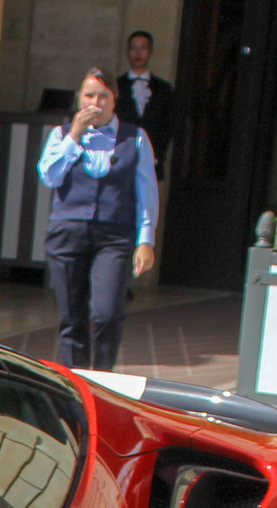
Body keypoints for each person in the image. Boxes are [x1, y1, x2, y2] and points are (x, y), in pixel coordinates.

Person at [36, 68, 157, 372]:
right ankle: (76, 382)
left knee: (107, 313)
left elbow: (146, 191)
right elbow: (49, 176)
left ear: (115, 101)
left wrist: (146, 240)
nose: (96, 102)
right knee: (72, 317)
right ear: (79, 98)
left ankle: (103, 378)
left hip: (114, 235)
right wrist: (75, 135)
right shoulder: (61, 134)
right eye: (89, 95)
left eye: (104, 96)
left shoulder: (136, 138)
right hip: (67, 231)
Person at [115, 30, 177, 177]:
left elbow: (169, 125)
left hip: (152, 159)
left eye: (143, 48)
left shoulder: (164, 89)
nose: (138, 53)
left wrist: (158, 155)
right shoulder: (115, 86)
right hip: (120, 158)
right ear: (128, 51)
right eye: (134, 48)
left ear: (150, 51)